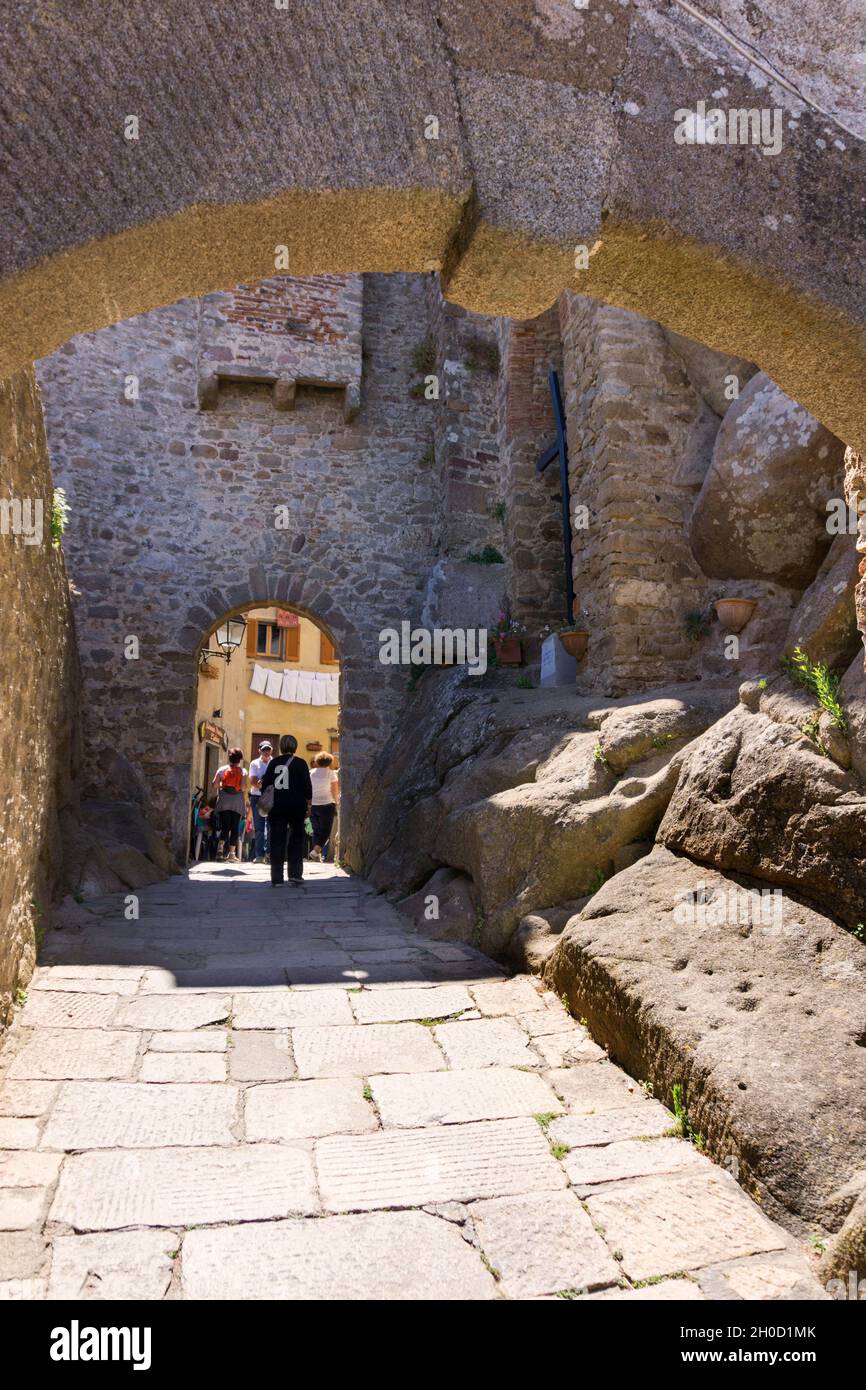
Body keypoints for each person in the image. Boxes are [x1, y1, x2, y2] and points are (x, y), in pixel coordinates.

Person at [260, 733, 312, 887]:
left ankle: (277, 878)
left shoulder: (273, 763)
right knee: (296, 840)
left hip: (277, 807)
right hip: (297, 806)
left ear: (281, 747)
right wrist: (309, 804)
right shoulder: (301, 763)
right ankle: (295, 875)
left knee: (277, 841)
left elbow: (265, 785)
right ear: (295, 747)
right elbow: (307, 787)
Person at [212, 748, 248, 863]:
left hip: (224, 800)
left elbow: (214, 785)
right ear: (240, 759)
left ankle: (220, 849)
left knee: (225, 826)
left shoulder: (222, 769)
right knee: (235, 827)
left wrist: (223, 785)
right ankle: (232, 854)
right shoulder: (243, 772)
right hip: (237, 801)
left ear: (229, 758)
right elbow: (242, 788)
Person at [309, 751, 339, 862]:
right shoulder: (331, 773)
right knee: (326, 830)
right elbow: (334, 789)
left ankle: (316, 854)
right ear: (329, 761)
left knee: (316, 830)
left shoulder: (311, 773)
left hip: (313, 805)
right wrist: (337, 801)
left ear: (317, 761)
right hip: (327, 804)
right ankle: (316, 850)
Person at [248, 739, 273, 862]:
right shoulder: (254, 763)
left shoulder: (275, 762)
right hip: (257, 797)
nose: (266, 752)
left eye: (268, 749)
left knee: (271, 826)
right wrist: (264, 785)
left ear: (271, 750)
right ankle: (259, 855)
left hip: (271, 797)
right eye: (264, 750)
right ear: (259, 751)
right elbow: (252, 781)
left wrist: (262, 784)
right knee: (258, 827)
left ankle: (269, 854)